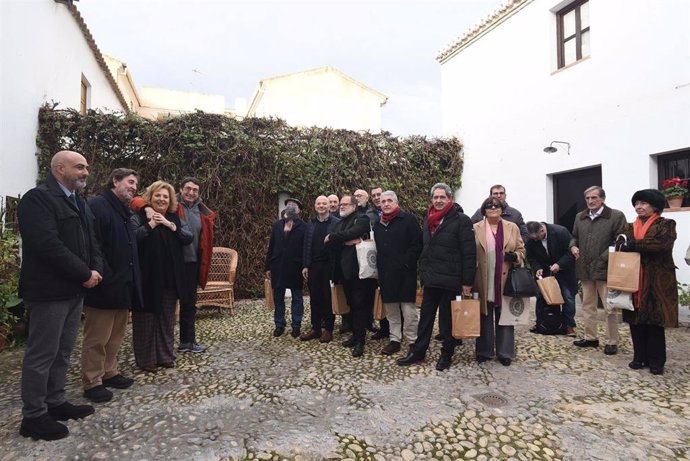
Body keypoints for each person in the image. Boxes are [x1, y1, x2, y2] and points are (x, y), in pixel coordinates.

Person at [17, 150, 103, 440]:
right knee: (42, 354)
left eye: (86, 166)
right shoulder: (36, 200)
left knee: (63, 351)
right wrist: (84, 273)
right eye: (79, 167)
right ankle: (34, 416)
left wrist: (96, 269)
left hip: (73, 291)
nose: (85, 172)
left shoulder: (78, 202)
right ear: (58, 169)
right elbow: (47, 245)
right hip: (48, 292)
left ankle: (55, 401)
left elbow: (91, 241)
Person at [398, 183, 475, 370]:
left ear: (450, 199)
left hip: (450, 278)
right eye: (435, 197)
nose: (438, 200)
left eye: (442, 197)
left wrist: (467, 282)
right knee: (425, 318)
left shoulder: (461, 220)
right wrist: (423, 272)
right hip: (431, 278)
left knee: (447, 321)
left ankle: (447, 354)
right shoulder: (429, 219)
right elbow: (426, 248)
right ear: (431, 199)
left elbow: (469, 252)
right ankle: (418, 352)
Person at [81, 168, 143, 404]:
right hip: (105, 283)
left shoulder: (123, 211)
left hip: (123, 283)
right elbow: (92, 245)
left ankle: (110, 372)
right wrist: (105, 274)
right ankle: (92, 381)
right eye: (129, 182)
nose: (133, 187)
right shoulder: (98, 206)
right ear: (114, 181)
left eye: (135, 184)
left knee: (116, 334)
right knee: (97, 336)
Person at [131, 181, 192, 372]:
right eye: (158, 195)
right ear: (150, 197)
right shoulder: (139, 217)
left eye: (166, 196)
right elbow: (132, 238)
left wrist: (169, 225)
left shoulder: (174, 218)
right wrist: (151, 224)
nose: (162, 199)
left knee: (167, 319)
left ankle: (165, 356)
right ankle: (146, 360)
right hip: (147, 279)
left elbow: (187, 237)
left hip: (170, 280)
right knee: (146, 320)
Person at [618, 189, 678, 375]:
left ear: (655, 206)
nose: (639, 207)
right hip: (633, 278)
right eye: (636, 204)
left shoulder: (666, 224)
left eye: (643, 203)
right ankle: (639, 357)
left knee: (654, 322)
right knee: (636, 321)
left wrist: (634, 245)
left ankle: (656, 361)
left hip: (657, 281)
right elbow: (620, 243)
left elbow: (661, 244)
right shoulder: (629, 227)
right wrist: (622, 244)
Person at [570, 186, 626, 355]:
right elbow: (574, 236)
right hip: (584, 267)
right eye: (587, 198)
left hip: (606, 268)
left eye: (594, 198)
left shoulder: (615, 215)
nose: (590, 201)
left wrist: (603, 258)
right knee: (588, 305)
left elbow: (620, 240)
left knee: (610, 307)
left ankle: (611, 341)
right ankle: (590, 337)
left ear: (602, 198)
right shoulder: (580, 217)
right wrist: (572, 246)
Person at [473, 195, 526, 366]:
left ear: (502, 209)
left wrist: (516, 256)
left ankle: (505, 352)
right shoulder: (475, 228)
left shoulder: (512, 227)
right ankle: (484, 351)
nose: (493, 208)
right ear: (484, 210)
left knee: (505, 315)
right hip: (483, 276)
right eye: (489, 206)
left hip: (505, 276)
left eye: (496, 205)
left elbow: (521, 250)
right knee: (484, 314)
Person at [325, 194, 376, 357]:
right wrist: (345, 240)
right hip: (343, 272)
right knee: (351, 305)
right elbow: (330, 243)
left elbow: (351, 233)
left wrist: (335, 238)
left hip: (359, 272)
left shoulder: (362, 219)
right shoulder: (339, 222)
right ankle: (355, 335)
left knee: (360, 306)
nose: (341, 206)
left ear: (354, 206)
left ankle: (360, 341)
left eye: (345, 204)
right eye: (341, 204)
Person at [373, 191, 422, 355]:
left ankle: (413, 341)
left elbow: (417, 245)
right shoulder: (378, 225)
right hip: (386, 274)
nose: (386, 204)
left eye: (389, 201)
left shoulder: (408, 220)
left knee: (409, 311)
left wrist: (405, 262)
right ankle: (395, 339)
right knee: (392, 310)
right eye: (383, 201)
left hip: (405, 273)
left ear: (396, 202)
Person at [175, 177, 216, 353]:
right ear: (180, 189)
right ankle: (162, 346)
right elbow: (141, 201)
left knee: (189, 304)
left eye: (195, 190)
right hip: (173, 262)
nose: (191, 193)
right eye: (188, 189)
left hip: (192, 263)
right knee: (166, 303)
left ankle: (187, 341)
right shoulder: (171, 205)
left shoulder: (201, 211)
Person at [525, 221, 577, 335]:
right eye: (533, 238)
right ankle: (542, 323)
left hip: (564, 270)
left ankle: (569, 325)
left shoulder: (560, 232)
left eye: (537, 238)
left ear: (542, 230)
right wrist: (537, 267)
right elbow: (531, 257)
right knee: (543, 297)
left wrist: (559, 264)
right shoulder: (531, 239)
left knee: (567, 297)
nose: (534, 240)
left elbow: (570, 252)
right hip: (545, 270)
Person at [301, 196, 340, 343]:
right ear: (315, 206)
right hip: (313, 266)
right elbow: (306, 245)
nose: (322, 206)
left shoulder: (336, 223)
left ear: (329, 206)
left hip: (329, 266)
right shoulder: (310, 224)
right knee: (314, 297)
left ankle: (328, 330)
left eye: (325, 203)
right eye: (319, 203)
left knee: (328, 298)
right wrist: (305, 265)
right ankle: (316, 328)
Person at [265, 198, 306, 338]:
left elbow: (306, 249)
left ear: (299, 210)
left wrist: (305, 265)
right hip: (278, 266)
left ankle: (296, 325)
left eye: (294, 205)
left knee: (297, 297)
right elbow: (271, 246)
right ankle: (279, 324)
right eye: (288, 205)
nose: (290, 207)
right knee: (278, 297)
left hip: (295, 266)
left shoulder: (304, 226)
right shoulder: (277, 225)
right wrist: (268, 266)